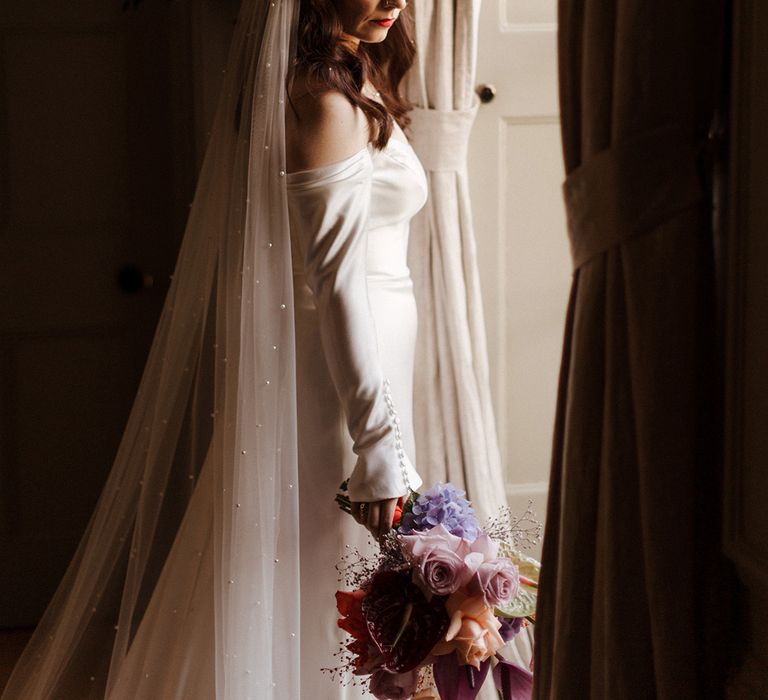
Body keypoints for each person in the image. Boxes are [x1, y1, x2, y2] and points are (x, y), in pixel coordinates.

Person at [1, 1, 424, 698]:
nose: (395, 0)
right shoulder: (324, 100)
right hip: (340, 376)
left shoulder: (352, 76)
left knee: (326, 566)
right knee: (316, 565)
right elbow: (338, 287)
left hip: (367, 362)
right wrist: (377, 446)